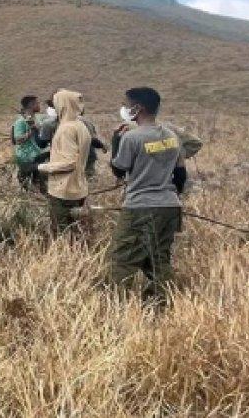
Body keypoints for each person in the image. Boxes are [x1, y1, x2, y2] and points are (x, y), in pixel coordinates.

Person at [107, 87, 187, 303]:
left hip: (139, 207)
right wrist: (169, 195)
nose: (124, 108)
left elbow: (118, 169)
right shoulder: (172, 136)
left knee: (122, 259)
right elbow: (181, 174)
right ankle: (162, 305)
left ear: (138, 108)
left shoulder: (131, 138)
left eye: (127, 104)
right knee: (158, 258)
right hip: (170, 206)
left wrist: (116, 141)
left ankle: (115, 307)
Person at [36, 90, 92, 234]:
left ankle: (66, 254)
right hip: (78, 187)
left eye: (57, 103)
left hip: (63, 190)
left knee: (62, 232)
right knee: (76, 230)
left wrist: (42, 167)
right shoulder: (80, 125)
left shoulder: (66, 129)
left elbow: (69, 163)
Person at [12, 95, 48, 194]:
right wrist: (31, 131)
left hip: (36, 155)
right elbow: (18, 140)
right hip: (25, 158)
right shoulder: (20, 122)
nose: (39, 105)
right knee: (33, 189)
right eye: (37, 103)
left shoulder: (36, 119)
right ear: (31, 105)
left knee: (41, 186)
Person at [78, 106, 107, 179]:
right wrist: (102, 146)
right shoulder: (85, 122)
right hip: (86, 154)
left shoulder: (63, 121)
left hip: (68, 156)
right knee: (89, 177)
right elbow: (92, 139)